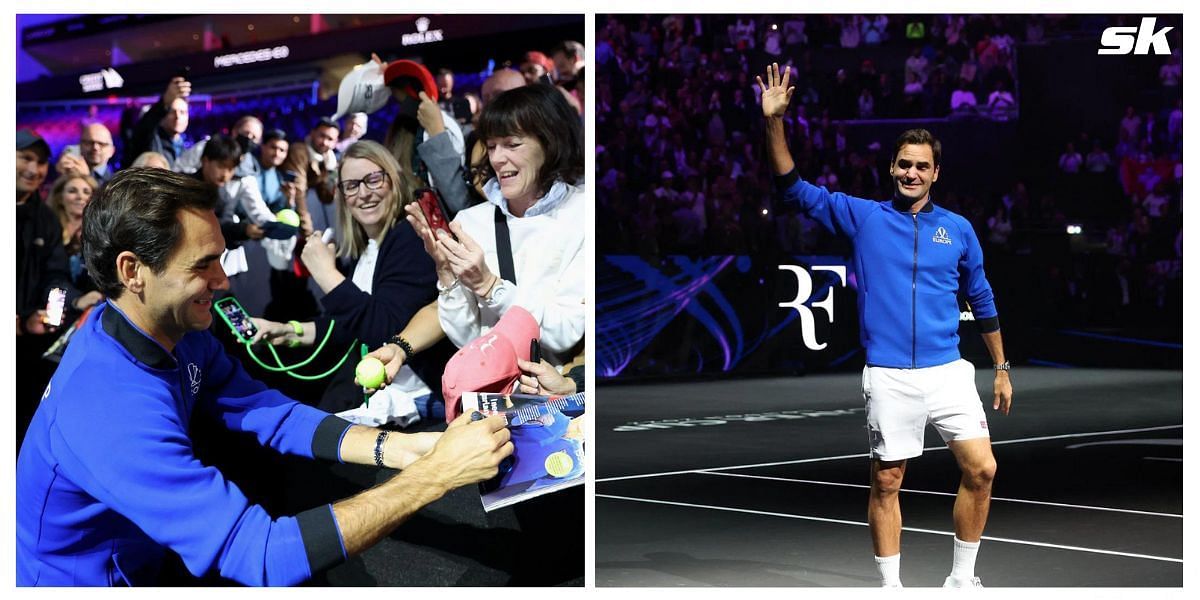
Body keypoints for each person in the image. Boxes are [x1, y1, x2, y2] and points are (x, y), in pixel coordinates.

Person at [16, 167, 513, 586]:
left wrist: (397, 449)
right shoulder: (108, 408)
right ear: (133, 271)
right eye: (203, 265)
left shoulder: (171, 328)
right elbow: (261, 555)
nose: (223, 281)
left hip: (143, 553)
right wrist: (434, 476)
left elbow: (262, 408)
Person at [758, 64, 1012, 588]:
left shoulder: (958, 230)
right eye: (903, 165)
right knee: (888, 481)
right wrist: (774, 123)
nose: (911, 174)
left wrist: (1001, 368)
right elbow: (793, 189)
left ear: (936, 172)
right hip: (891, 374)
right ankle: (891, 589)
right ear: (891, 169)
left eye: (921, 166)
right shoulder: (863, 216)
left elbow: (981, 296)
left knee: (982, 470)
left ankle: (963, 580)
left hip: (948, 372)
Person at [252, 141, 450, 424]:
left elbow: (385, 328)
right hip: (382, 396)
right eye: (352, 185)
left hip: (418, 400)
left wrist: (326, 275)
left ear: (393, 181)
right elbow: (352, 322)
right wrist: (289, 331)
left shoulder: (409, 236)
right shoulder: (368, 247)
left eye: (373, 179)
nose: (364, 193)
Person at [407, 83, 585, 374]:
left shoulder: (581, 212)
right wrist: (447, 275)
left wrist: (489, 286)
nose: (498, 158)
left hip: (559, 396)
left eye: (513, 144)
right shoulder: (470, 221)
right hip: (492, 397)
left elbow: (562, 333)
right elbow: (465, 338)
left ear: (550, 143)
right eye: (491, 146)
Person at [45, 174, 105, 317]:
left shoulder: (101, 235)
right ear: (60, 198)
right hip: (54, 313)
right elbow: (51, 279)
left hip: (92, 313)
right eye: (72, 191)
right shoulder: (47, 231)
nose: (80, 196)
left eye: (86, 192)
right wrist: (74, 301)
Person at [124, 75, 192, 170]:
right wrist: (165, 101)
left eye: (183, 112)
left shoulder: (187, 148)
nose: (178, 116)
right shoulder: (150, 139)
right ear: (163, 115)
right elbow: (146, 126)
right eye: (172, 111)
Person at [55, 122, 117, 187]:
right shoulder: (66, 172)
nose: (95, 147)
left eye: (102, 144)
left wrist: (86, 178)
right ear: (80, 146)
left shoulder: (117, 182)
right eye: (89, 143)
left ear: (112, 151)